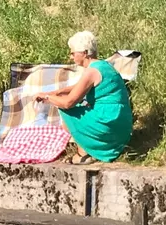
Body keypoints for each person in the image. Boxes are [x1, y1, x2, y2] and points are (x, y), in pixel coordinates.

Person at [36, 31, 133, 164]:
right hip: (122, 122)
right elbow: (80, 86)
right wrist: (58, 91)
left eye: (73, 53)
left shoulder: (91, 72)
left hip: (108, 123)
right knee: (80, 105)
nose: (71, 57)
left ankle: (84, 153)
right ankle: (94, 147)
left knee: (67, 110)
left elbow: (68, 103)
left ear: (85, 53)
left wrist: (48, 97)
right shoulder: (103, 65)